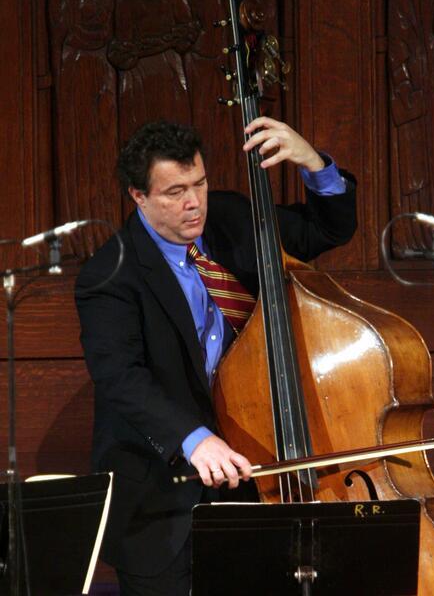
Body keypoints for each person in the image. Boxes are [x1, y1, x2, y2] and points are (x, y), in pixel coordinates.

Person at [75, 116, 357, 595]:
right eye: (175, 192)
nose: (194, 203)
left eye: (200, 184)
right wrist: (192, 439)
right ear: (138, 196)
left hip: (254, 475)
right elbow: (120, 376)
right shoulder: (110, 274)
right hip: (160, 499)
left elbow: (328, 230)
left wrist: (313, 162)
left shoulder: (233, 218)